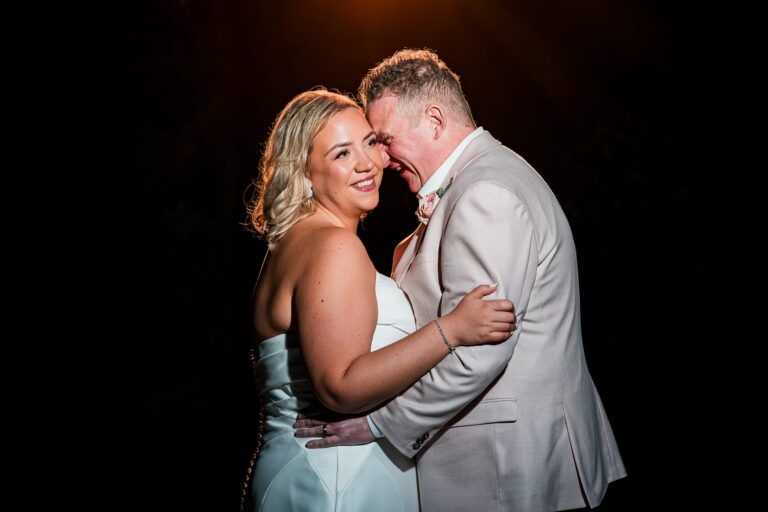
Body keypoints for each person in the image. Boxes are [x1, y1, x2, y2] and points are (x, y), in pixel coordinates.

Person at [295, 50, 627, 511]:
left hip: (508, 472)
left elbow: (477, 355)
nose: (383, 159)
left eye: (386, 139)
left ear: (434, 119)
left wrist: (379, 423)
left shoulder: (486, 191)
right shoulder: (482, 181)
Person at [245, 88, 517, 512]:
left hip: (306, 468)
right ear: (304, 174)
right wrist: (452, 330)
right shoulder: (333, 246)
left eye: (369, 143)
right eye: (341, 154)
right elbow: (340, 386)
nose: (367, 163)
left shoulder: (291, 244)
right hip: (340, 475)